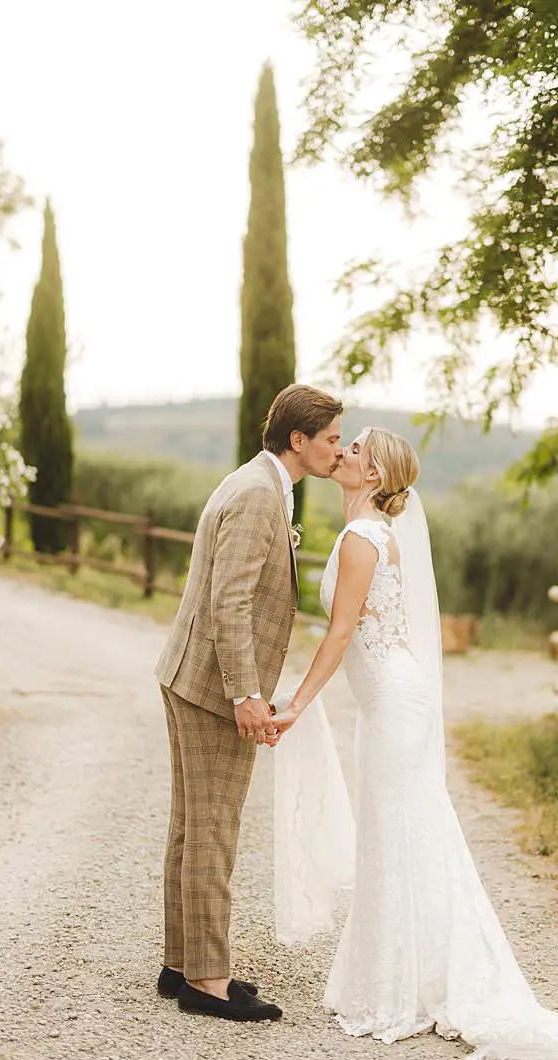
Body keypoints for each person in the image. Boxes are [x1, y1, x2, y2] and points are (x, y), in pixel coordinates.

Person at [269, 426, 558, 1060]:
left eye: (357, 449)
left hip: (391, 703)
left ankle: (401, 989)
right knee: (400, 833)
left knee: (397, 832)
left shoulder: (363, 539)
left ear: (377, 473)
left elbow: (338, 635)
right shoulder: (368, 533)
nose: (346, 453)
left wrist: (298, 703)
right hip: (387, 703)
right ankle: (403, 976)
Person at [154, 384, 344, 1022]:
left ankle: (180, 964)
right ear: (299, 440)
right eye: (331, 438)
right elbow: (228, 601)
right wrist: (247, 693)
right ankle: (208, 983)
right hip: (212, 689)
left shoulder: (256, 483)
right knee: (214, 832)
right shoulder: (261, 495)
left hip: (190, 676)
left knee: (191, 828)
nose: (337, 449)